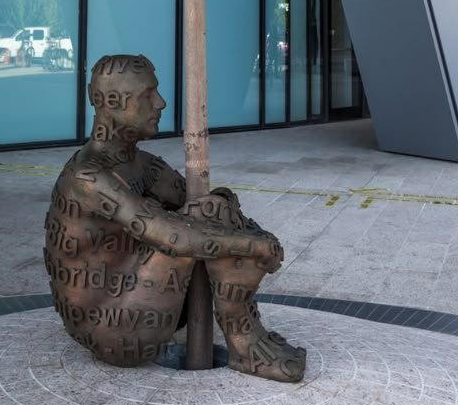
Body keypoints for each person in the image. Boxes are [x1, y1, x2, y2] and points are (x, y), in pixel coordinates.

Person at [44, 53, 306, 382]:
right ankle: (245, 343)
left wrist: (250, 230)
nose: (161, 103)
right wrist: (252, 244)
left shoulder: (143, 164)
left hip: (136, 298)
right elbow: (170, 235)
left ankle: (246, 338)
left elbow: (201, 200)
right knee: (198, 225)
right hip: (111, 330)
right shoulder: (88, 178)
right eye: (147, 95)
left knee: (211, 209)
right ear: (110, 101)